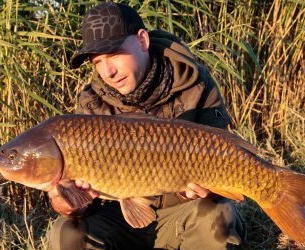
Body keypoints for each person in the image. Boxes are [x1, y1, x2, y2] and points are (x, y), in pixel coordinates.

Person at [48, 2, 246, 250]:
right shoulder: (91, 108)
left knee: (219, 217)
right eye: (97, 61)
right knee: (66, 232)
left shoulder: (194, 83)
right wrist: (66, 202)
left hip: (183, 213)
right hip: (120, 220)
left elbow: (227, 160)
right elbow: (81, 202)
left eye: (114, 54)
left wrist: (209, 191)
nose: (107, 71)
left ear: (142, 40)